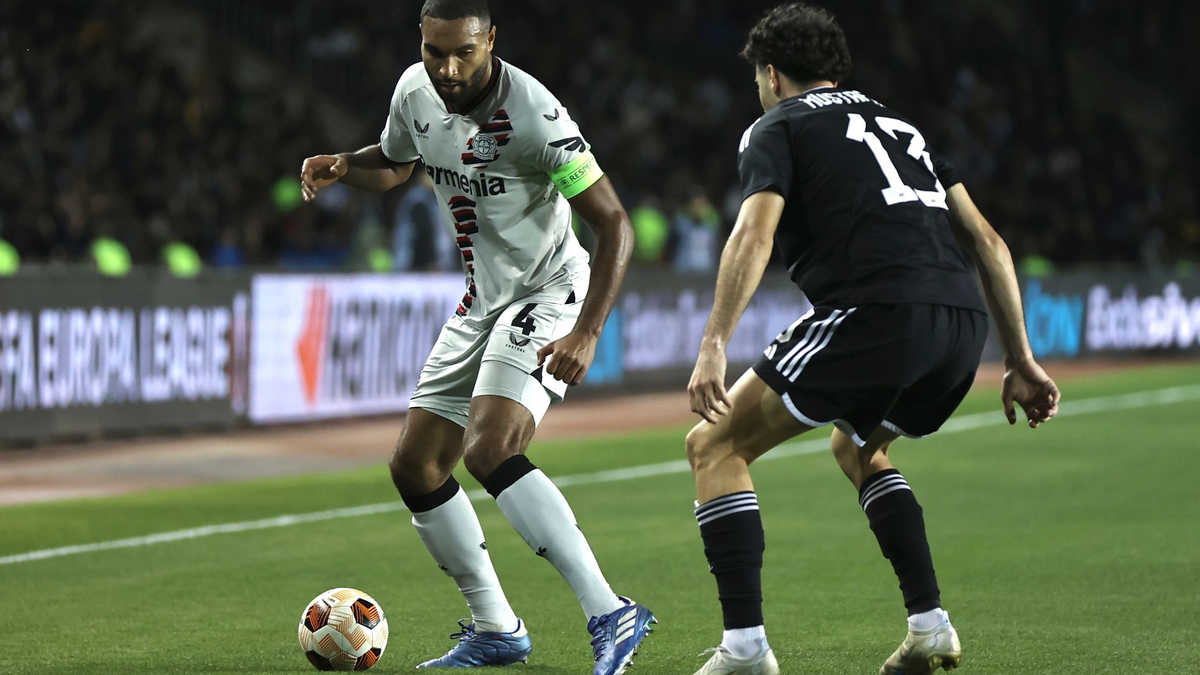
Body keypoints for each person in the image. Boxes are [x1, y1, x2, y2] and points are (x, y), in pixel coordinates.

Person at [683, 4, 1061, 675]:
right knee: (856, 442)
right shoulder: (902, 125)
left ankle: (744, 648)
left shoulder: (777, 125)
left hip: (876, 310)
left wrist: (714, 339)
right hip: (960, 323)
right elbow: (989, 242)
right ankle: (929, 624)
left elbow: (754, 233)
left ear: (772, 75)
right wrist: (1022, 360)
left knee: (714, 443)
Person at [298, 1, 655, 673]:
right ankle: (497, 626)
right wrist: (348, 163)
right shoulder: (415, 89)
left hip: (549, 288)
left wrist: (587, 331)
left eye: (463, 51)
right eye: (436, 51)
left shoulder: (536, 116)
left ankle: (612, 609)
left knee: (491, 447)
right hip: (483, 298)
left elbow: (615, 224)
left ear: (490, 39)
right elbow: (398, 161)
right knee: (417, 465)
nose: (448, 67)